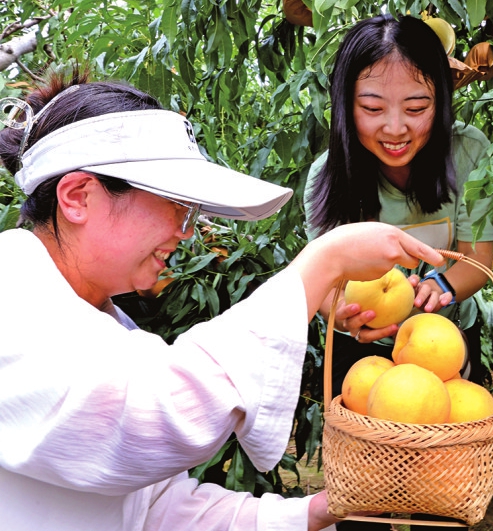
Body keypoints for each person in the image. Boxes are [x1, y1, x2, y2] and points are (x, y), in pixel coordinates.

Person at [0, 70, 445, 531]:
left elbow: (151, 509)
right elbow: (148, 417)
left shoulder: (104, 326)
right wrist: (321, 265)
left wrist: (313, 511)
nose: (186, 232)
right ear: (78, 197)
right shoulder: (11, 302)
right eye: (175, 205)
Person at [304, 15, 493, 530]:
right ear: (346, 107)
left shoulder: (467, 152)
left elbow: (481, 258)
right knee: (364, 497)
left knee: (442, 482)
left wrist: (440, 286)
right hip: (361, 348)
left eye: (417, 107)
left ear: (441, 103)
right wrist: (342, 316)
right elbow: (323, 283)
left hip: (442, 340)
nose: (395, 128)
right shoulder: (329, 179)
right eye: (372, 108)